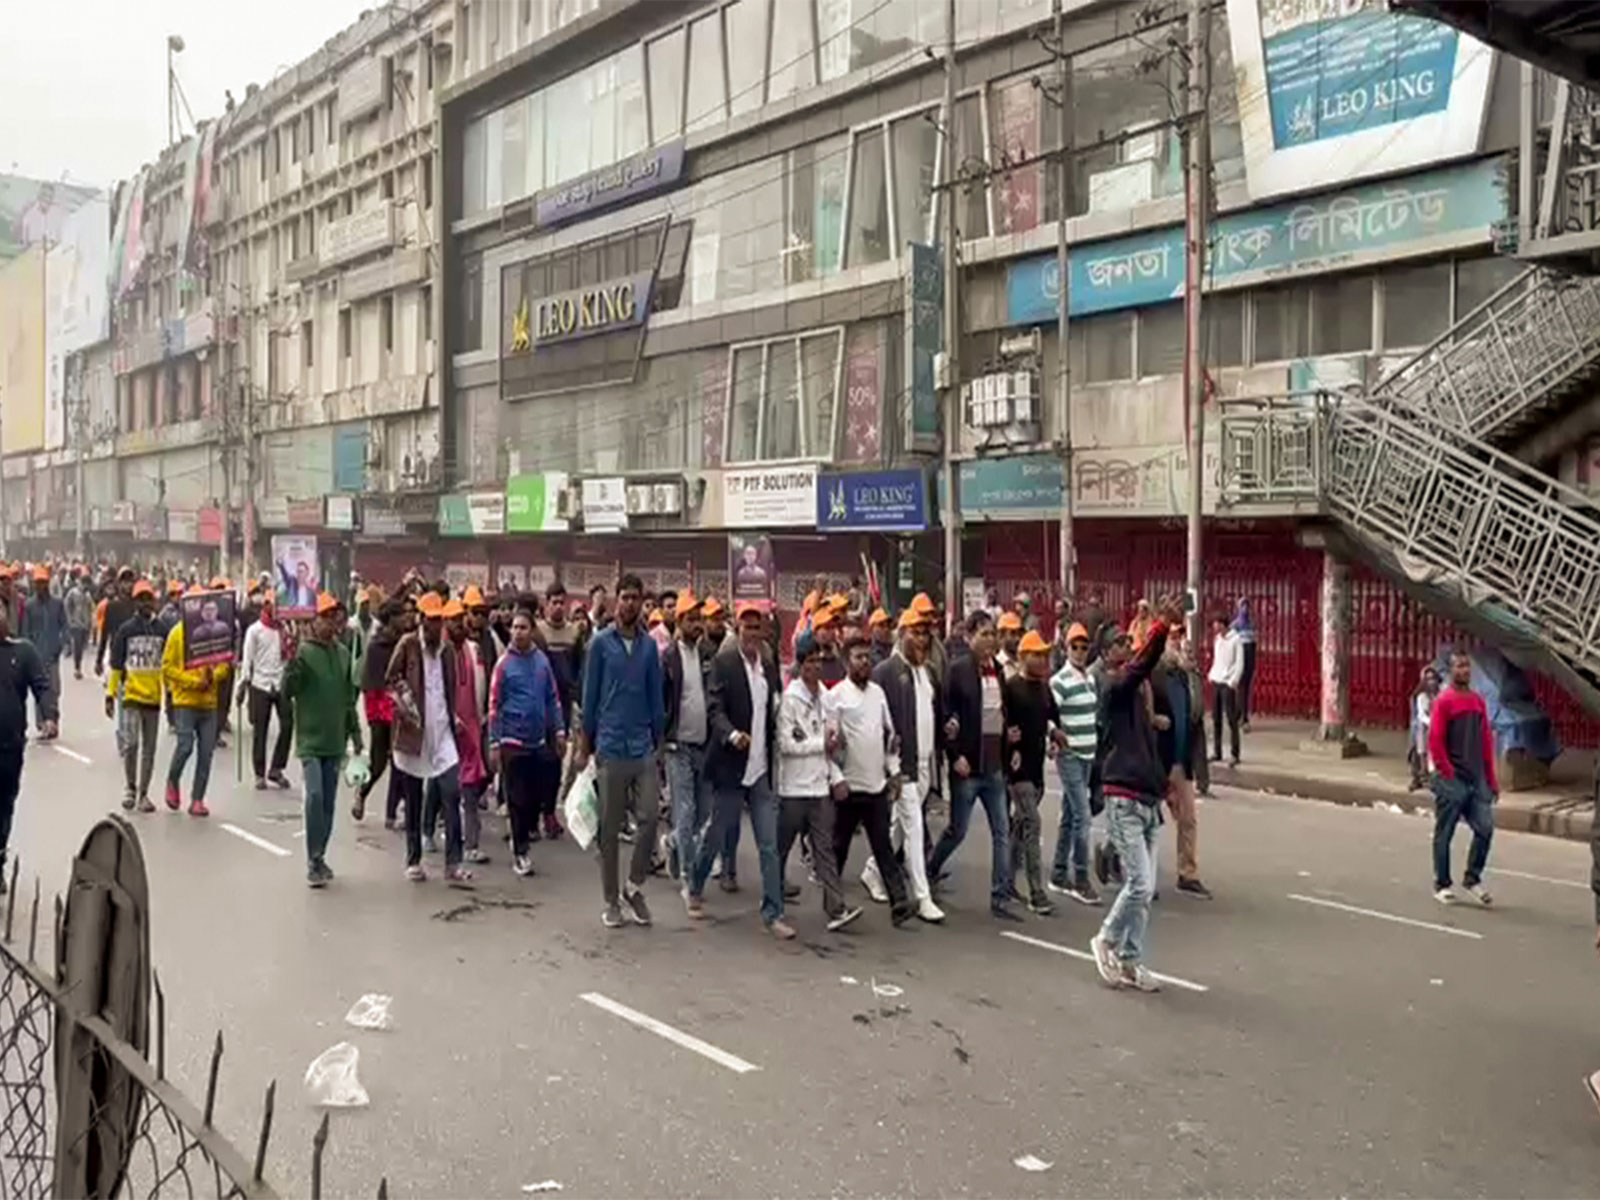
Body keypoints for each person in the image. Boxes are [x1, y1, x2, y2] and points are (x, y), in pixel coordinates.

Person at [1090, 599, 1181, 993]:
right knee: (1140, 885)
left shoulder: (1139, 699)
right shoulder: (1114, 689)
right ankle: (1106, 938)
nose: (1127, 646)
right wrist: (1159, 627)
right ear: (1106, 654)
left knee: (1143, 893)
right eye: (1120, 642)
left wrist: (1165, 788)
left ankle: (1131, 960)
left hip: (1146, 801)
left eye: (1130, 640)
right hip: (1123, 797)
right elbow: (1140, 667)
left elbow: (1149, 749)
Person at [691, 602, 789, 936]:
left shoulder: (769, 668)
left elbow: (776, 708)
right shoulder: (725, 663)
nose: (751, 633)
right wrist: (732, 734)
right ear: (737, 629)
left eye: (756, 627)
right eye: (745, 627)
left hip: (760, 769)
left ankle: (773, 913)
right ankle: (695, 885)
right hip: (732, 767)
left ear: (762, 632)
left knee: (768, 844)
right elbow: (714, 708)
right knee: (716, 833)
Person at [577, 574, 664, 929]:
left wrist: (658, 741)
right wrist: (586, 747)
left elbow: (656, 696)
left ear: (643, 603)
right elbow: (589, 697)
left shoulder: (648, 648)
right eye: (625, 597)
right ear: (616, 600)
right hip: (610, 745)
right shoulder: (600, 644)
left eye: (636, 598)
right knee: (609, 828)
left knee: (650, 818)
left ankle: (634, 885)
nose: (630, 603)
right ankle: (611, 900)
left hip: (643, 744)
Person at [930, 610, 1018, 920]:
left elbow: (1000, 712)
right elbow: (946, 718)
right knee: (957, 830)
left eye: (993, 634)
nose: (990, 640)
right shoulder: (957, 671)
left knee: (1002, 831)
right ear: (969, 638)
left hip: (994, 766)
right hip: (967, 767)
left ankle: (1000, 897)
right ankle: (930, 869)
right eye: (984, 634)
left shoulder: (998, 671)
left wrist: (1009, 738)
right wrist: (955, 757)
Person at [825, 636, 913, 928]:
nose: (865, 662)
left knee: (883, 848)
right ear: (846, 662)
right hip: (849, 788)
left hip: (876, 786)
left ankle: (900, 902)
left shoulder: (878, 694)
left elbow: (889, 737)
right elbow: (830, 746)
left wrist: (895, 771)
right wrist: (836, 779)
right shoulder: (835, 697)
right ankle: (833, 904)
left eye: (867, 657)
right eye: (858, 657)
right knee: (838, 849)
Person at [775, 632, 861, 931]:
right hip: (793, 789)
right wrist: (819, 744)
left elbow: (830, 745)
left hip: (819, 787)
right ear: (800, 665)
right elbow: (788, 744)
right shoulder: (790, 700)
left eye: (818, 661)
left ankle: (836, 908)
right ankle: (773, 905)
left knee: (824, 848)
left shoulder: (826, 697)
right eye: (809, 662)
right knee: (780, 848)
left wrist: (836, 775)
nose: (815, 667)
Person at [865, 607, 945, 922]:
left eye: (925, 633)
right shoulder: (886, 671)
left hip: (925, 761)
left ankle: (873, 870)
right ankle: (922, 896)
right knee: (914, 829)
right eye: (916, 632)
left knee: (899, 827)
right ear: (903, 634)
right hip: (902, 764)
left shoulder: (928, 673)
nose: (922, 639)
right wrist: (890, 765)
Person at [386, 592, 471, 883]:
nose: (437, 626)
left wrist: (453, 716)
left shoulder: (447, 651)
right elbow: (391, 679)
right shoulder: (407, 645)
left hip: (443, 731)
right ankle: (413, 859)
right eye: (432, 620)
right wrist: (406, 704)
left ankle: (453, 863)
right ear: (422, 620)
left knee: (451, 791)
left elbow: (447, 690)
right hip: (414, 732)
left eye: (440, 620)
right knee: (413, 796)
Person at [283, 593, 362, 888]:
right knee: (314, 797)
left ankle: (320, 857)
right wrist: (290, 662)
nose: (330, 623)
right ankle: (312, 858)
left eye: (333, 617)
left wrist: (355, 735)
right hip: (310, 740)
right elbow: (288, 689)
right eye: (324, 617)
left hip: (335, 741)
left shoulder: (342, 654)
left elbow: (347, 700)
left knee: (329, 803)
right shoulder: (303, 652)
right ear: (313, 621)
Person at [488, 607, 566, 877]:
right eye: (515, 627)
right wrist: (495, 742)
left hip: (537, 740)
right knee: (518, 798)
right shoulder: (504, 665)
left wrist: (559, 731)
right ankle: (520, 852)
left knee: (534, 798)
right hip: (512, 740)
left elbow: (552, 698)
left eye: (524, 627)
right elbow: (494, 705)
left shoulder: (542, 662)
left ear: (532, 630)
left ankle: (522, 834)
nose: (518, 632)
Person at [1428, 649, 1498, 906]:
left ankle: (1472, 878)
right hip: (1453, 778)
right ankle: (1442, 883)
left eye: (1467, 666)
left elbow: (1486, 744)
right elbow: (1435, 740)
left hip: (1476, 777)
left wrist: (1491, 779)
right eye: (1459, 666)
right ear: (1450, 671)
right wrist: (1447, 772)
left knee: (1485, 829)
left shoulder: (1478, 701)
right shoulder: (1444, 702)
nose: (1464, 671)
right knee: (1444, 832)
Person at [1003, 630, 1061, 916]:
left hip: (1036, 767)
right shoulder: (1011, 687)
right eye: (1036, 654)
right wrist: (1007, 743)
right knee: (1033, 825)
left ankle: (1006, 880)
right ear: (1023, 656)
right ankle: (1036, 892)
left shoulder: (1044, 688)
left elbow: (1053, 718)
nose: (1041, 660)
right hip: (1017, 769)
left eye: (1044, 654)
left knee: (1019, 827)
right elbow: (1001, 721)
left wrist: (1056, 737)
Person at [0, 598, 56, 893]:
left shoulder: (23, 653)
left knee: (4, 806)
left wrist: (49, 715)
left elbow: (42, 686)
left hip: (9, 747)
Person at [1153, 627, 1212, 899]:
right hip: (1157, 758)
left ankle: (1187, 873)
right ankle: (1119, 857)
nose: (1177, 643)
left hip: (1181, 759)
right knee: (1145, 819)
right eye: (1172, 637)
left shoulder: (1187, 678)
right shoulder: (1154, 676)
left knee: (1188, 818)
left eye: (1180, 637)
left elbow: (1196, 715)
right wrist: (1153, 720)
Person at [160, 594, 230, 817]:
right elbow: (168, 668)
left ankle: (197, 799)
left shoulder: (218, 633)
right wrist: (193, 682)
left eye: (211, 609)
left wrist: (213, 677)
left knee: (206, 753)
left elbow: (225, 664)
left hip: (209, 703)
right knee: (185, 746)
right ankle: (173, 779)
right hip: (185, 701)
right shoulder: (178, 634)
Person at [1048, 622, 1100, 904]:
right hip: (1070, 755)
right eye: (1074, 646)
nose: (1080, 651)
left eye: (1084, 647)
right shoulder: (1059, 681)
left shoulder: (1089, 680)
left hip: (1088, 754)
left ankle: (1058, 872)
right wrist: (1054, 737)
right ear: (1066, 649)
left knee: (1069, 815)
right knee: (1083, 815)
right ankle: (1080, 877)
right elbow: (1048, 714)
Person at [663, 592, 712, 884]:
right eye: (691, 620)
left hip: (703, 744)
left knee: (704, 810)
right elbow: (661, 701)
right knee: (686, 808)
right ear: (680, 622)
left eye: (699, 619)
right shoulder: (669, 657)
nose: (697, 625)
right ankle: (688, 874)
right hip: (677, 744)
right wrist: (663, 738)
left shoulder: (707, 654)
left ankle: (672, 842)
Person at [106, 581, 166, 813]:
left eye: (148, 598)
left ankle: (144, 794)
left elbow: (169, 663)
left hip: (153, 698)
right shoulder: (126, 630)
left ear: (154, 601)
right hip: (131, 696)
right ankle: (130, 787)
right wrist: (110, 695)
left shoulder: (162, 629)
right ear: (135, 602)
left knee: (149, 750)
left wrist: (170, 696)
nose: (145, 603)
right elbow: (116, 666)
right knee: (131, 744)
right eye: (140, 598)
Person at [445, 598, 492, 865]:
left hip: (473, 727)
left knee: (473, 785)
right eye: (452, 620)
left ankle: (471, 844)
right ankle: (431, 829)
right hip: (447, 729)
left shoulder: (473, 650)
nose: (458, 623)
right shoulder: (440, 653)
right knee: (445, 789)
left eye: (460, 618)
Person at [354, 600, 406, 825]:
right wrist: (379, 711)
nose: (405, 619)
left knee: (400, 761)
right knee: (378, 762)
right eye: (400, 616)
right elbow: (370, 684)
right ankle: (362, 793)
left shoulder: (405, 643)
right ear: (391, 619)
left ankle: (392, 812)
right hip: (379, 708)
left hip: (401, 708)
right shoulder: (376, 646)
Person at [537, 581, 584, 821]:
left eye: (561, 602)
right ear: (546, 604)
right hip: (538, 704)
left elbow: (578, 668)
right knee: (538, 757)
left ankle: (549, 812)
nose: (557, 606)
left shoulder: (575, 632)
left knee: (556, 757)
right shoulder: (537, 632)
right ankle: (535, 812)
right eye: (553, 602)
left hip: (563, 704)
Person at [240, 593, 295, 790]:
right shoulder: (255, 631)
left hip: (280, 682)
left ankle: (277, 768)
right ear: (266, 606)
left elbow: (289, 656)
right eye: (273, 605)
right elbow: (248, 658)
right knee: (260, 731)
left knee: (288, 725)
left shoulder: (285, 628)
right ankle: (259, 773)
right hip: (260, 683)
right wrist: (244, 683)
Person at [20, 567, 67, 738]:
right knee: (39, 691)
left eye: (43, 583)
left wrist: (61, 645)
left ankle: (53, 722)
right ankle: (42, 724)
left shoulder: (57, 604)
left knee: (54, 690)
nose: (41, 586)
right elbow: (25, 631)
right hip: (35, 656)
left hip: (52, 656)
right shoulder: (29, 606)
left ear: (48, 583)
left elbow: (64, 626)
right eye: (38, 582)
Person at [1208, 613, 1243, 766]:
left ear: (1223, 624)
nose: (1215, 627)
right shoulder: (1218, 640)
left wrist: (1233, 680)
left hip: (1228, 682)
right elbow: (1217, 660)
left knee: (1231, 719)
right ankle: (1217, 751)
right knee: (1216, 719)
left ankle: (1235, 753)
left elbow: (1240, 663)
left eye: (1216, 624)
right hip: (1217, 680)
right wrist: (1211, 673)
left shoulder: (1236, 640)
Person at [1408, 665, 1441, 791]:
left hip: (1439, 726)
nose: (1431, 682)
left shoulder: (1441, 694)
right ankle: (1419, 774)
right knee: (1421, 734)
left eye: (1433, 679)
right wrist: (1433, 724)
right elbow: (1422, 716)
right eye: (1428, 679)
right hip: (1423, 726)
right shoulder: (1421, 697)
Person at [1232, 597, 1257, 728]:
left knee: (1245, 689)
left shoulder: (1252, 624)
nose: (1245, 609)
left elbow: (1254, 644)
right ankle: (1241, 716)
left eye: (1247, 606)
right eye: (1242, 606)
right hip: (1239, 659)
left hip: (1249, 659)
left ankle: (1241, 715)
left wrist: (1253, 664)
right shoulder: (1235, 625)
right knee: (1239, 688)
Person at [65, 571, 93, 680]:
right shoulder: (73, 593)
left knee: (82, 647)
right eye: (86, 584)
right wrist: (70, 620)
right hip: (76, 624)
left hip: (85, 624)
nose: (87, 586)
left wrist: (90, 623)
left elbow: (90, 609)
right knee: (77, 647)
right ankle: (77, 668)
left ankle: (78, 666)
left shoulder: (88, 595)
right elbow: (67, 606)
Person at [995, 611, 1024, 680]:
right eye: (1013, 634)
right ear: (1001, 636)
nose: (1018, 638)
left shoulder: (1024, 663)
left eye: (1019, 633)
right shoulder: (997, 664)